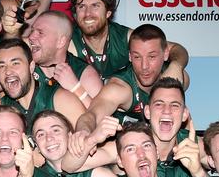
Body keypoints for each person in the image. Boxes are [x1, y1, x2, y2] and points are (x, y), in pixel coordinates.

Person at [73, 24, 189, 153]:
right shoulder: (120, 88)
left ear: (166, 54)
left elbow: (184, 118)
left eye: (152, 57)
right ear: (129, 57)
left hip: (162, 148)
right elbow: (92, 115)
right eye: (137, 57)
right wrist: (83, 132)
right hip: (124, 154)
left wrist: (177, 65)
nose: (144, 66)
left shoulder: (177, 76)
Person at [0, 38, 86, 150]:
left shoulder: (60, 99)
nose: (8, 71)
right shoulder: (2, 107)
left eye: (15, 63)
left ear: (31, 67)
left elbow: (87, 143)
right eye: (1, 66)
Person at [67, 0, 189, 81]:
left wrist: (176, 66)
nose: (88, 13)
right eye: (81, 7)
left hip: (126, 104)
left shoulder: (125, 37)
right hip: (86, 104)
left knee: (183, 77)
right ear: (75, 13)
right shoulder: (67, 42)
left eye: (95, 6)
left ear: (108, 12)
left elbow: (176, 49)